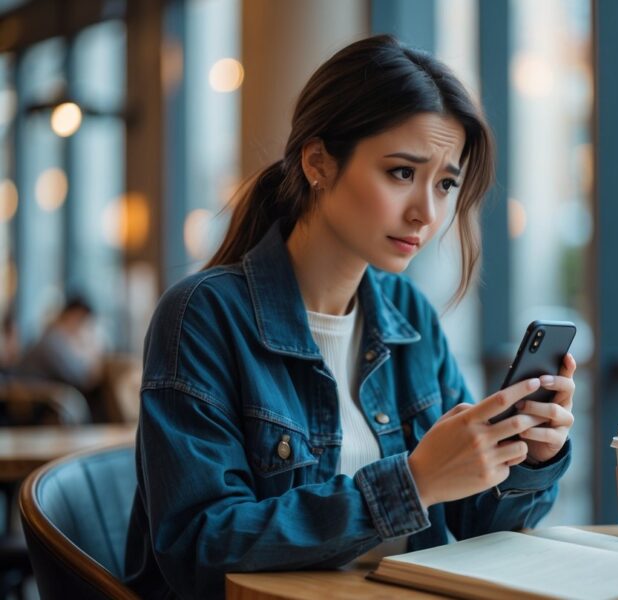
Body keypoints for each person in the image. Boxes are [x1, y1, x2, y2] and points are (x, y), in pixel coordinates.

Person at [125, 35, 576, 599]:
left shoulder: (408, 317)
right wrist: (413, 483)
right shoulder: (204, 315)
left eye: (445, 184)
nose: (427, 213)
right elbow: (200, 549)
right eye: (400, 173)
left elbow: (467, 530)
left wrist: (528, 457)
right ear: (318, 162)